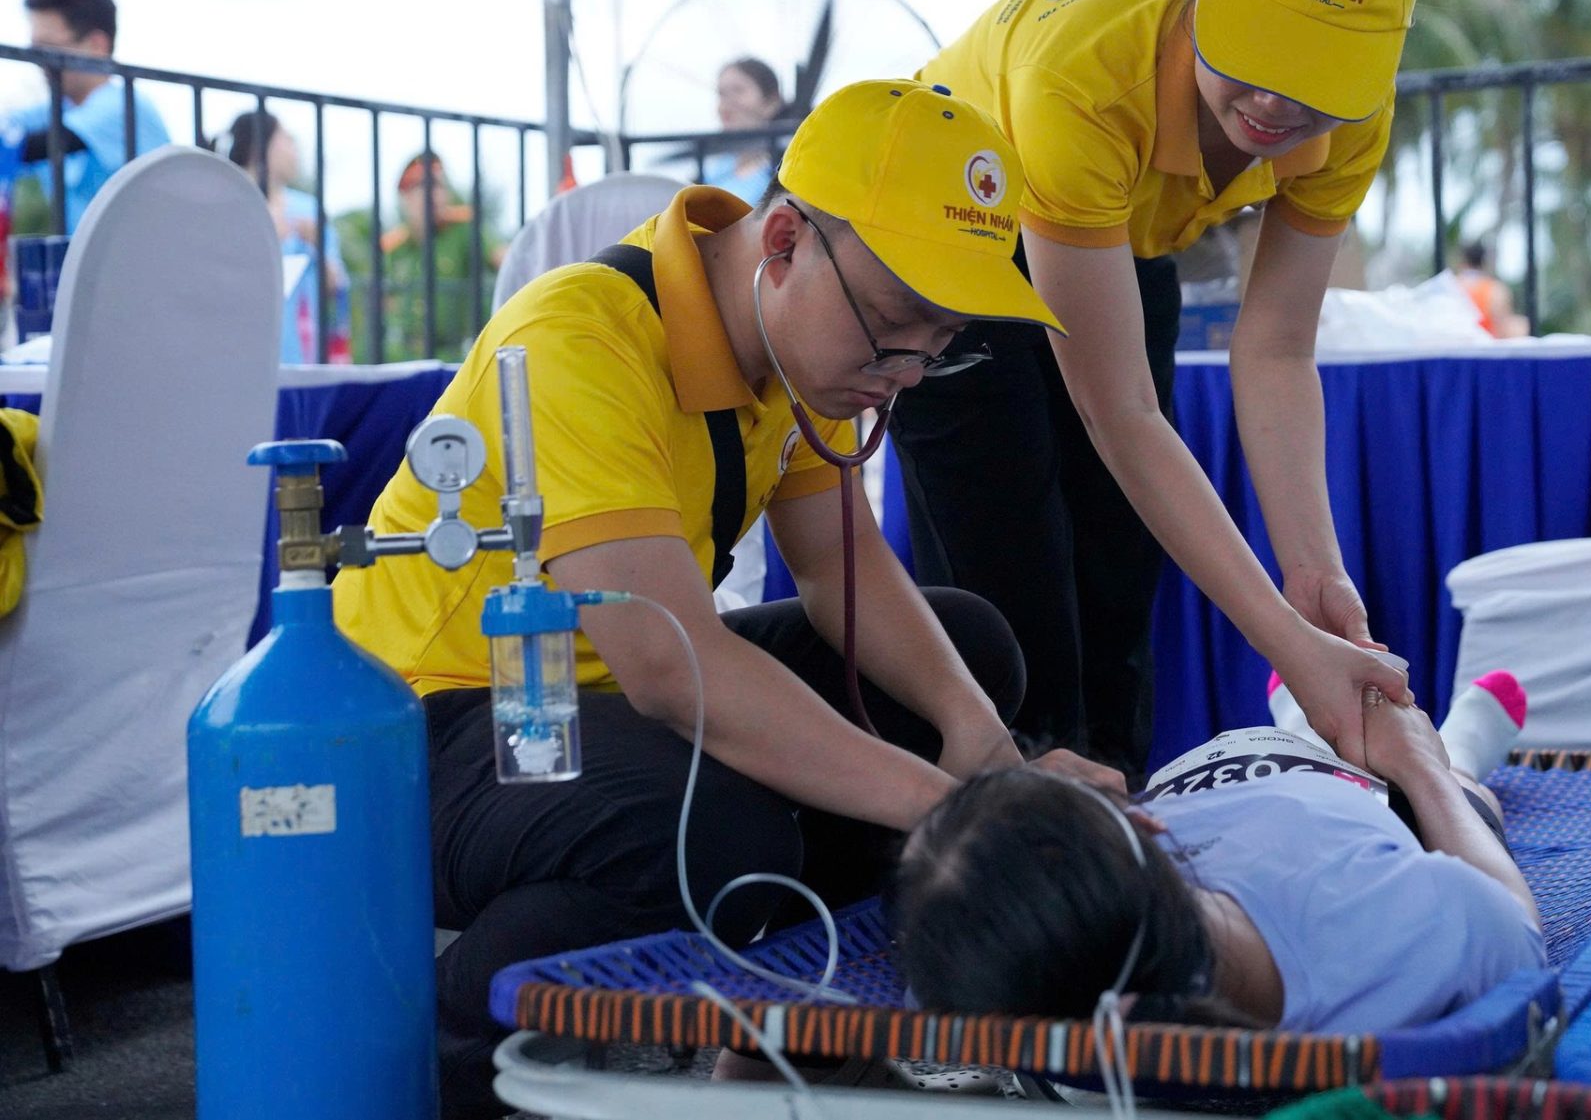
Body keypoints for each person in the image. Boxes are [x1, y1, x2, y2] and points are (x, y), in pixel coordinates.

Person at [332, 79, 1122, 1117]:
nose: (907, 376)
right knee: (717, 826)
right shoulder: (581, 334)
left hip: (597, 696)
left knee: (966, 656)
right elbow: (672, 667)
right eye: (894, 331)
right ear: (784, 242)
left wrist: (982, 745)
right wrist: (962, 811)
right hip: (424, 719)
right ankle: (428, 1073)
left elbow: (843, 572)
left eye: (940, 345)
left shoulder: (787, 355)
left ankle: (795, 1051)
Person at [890, 0, 1436, 777]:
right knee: (1010, 582)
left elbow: (1273, 352)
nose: (1273, 101)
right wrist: (1289, 648)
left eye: (1316, 73)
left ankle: (1125, 825)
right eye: (1260, 49)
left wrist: (1314, 576)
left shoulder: (1353, 117)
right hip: (954, 236)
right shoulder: (1085, 76)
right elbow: (1123, 411)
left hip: (1117, 231)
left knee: (1118, 574)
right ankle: (1010, 857)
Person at [892, 681, 1544, 1035]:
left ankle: (1301, 719)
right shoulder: (1393, 914)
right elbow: (1515, 927)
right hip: (1370, 799)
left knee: (1325, 730)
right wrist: (1419, 765)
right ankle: (1452, 745)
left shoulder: (1007, 973)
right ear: (1145, 827)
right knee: (1464, 795)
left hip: (1228, 784)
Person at [7, 0, 169, 234]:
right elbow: (7, 133)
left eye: (48, 49)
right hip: (94, 265)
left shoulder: (124, 106)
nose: (38, 61)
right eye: (34, 50)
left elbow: (34, 145)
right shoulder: (57, 109)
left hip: (150, 261)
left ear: (96, 45)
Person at [340, 151, 507, 362]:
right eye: (424, 187)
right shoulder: (394, 247)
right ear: (406, 197)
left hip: (452, 357)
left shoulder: (464, 231)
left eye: (440, 186)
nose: (435, 195)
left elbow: (506, 260)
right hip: (401, 357)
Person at [217, 108, 351, 363]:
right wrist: (269, 237)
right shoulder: (225, 205)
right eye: (286, 140)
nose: (294, 149)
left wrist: (317, 244)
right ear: (261, 146)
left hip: (302, 353)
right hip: (237, 350)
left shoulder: (308, 209)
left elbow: (335, 286)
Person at [707, 57, 787, 204]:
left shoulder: (786, 170)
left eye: (738, 91)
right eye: (721, 94)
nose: (726, 104)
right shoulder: (714, 168)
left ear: (771, 102)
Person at [1454, 240, 1529, 338]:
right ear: (1485, 262)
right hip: (1486, 345)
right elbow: (1502, 327)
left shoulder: (1451, 285)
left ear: (1463, 262)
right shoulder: (1495, 290)